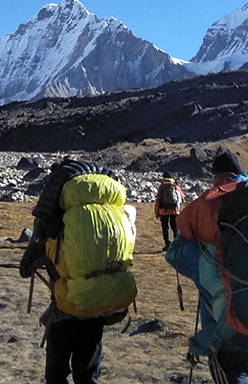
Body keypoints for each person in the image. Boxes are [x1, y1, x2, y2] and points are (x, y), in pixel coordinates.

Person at [19, 157, 135, 384]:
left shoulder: (56, 219)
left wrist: (30, 261)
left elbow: (29, 262)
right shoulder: (107, 212)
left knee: (56, 373)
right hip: (98, 304)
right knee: (88, 372)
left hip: (66, 305)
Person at [166, 147, 248, 384]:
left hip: (227, 330)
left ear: (218, 179)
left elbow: (176, 256)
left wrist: (187, 235)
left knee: (235, 374)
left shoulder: (208, 208)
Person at [154, 172, 185, 250]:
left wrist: (157, 212)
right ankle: (176, 244)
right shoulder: (176, 186)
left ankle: (167, 245)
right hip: (175, 211)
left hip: (164, 211)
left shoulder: (161, 187)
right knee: (175, 228)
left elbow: (158, 200)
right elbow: (182, 198)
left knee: (165, 228)